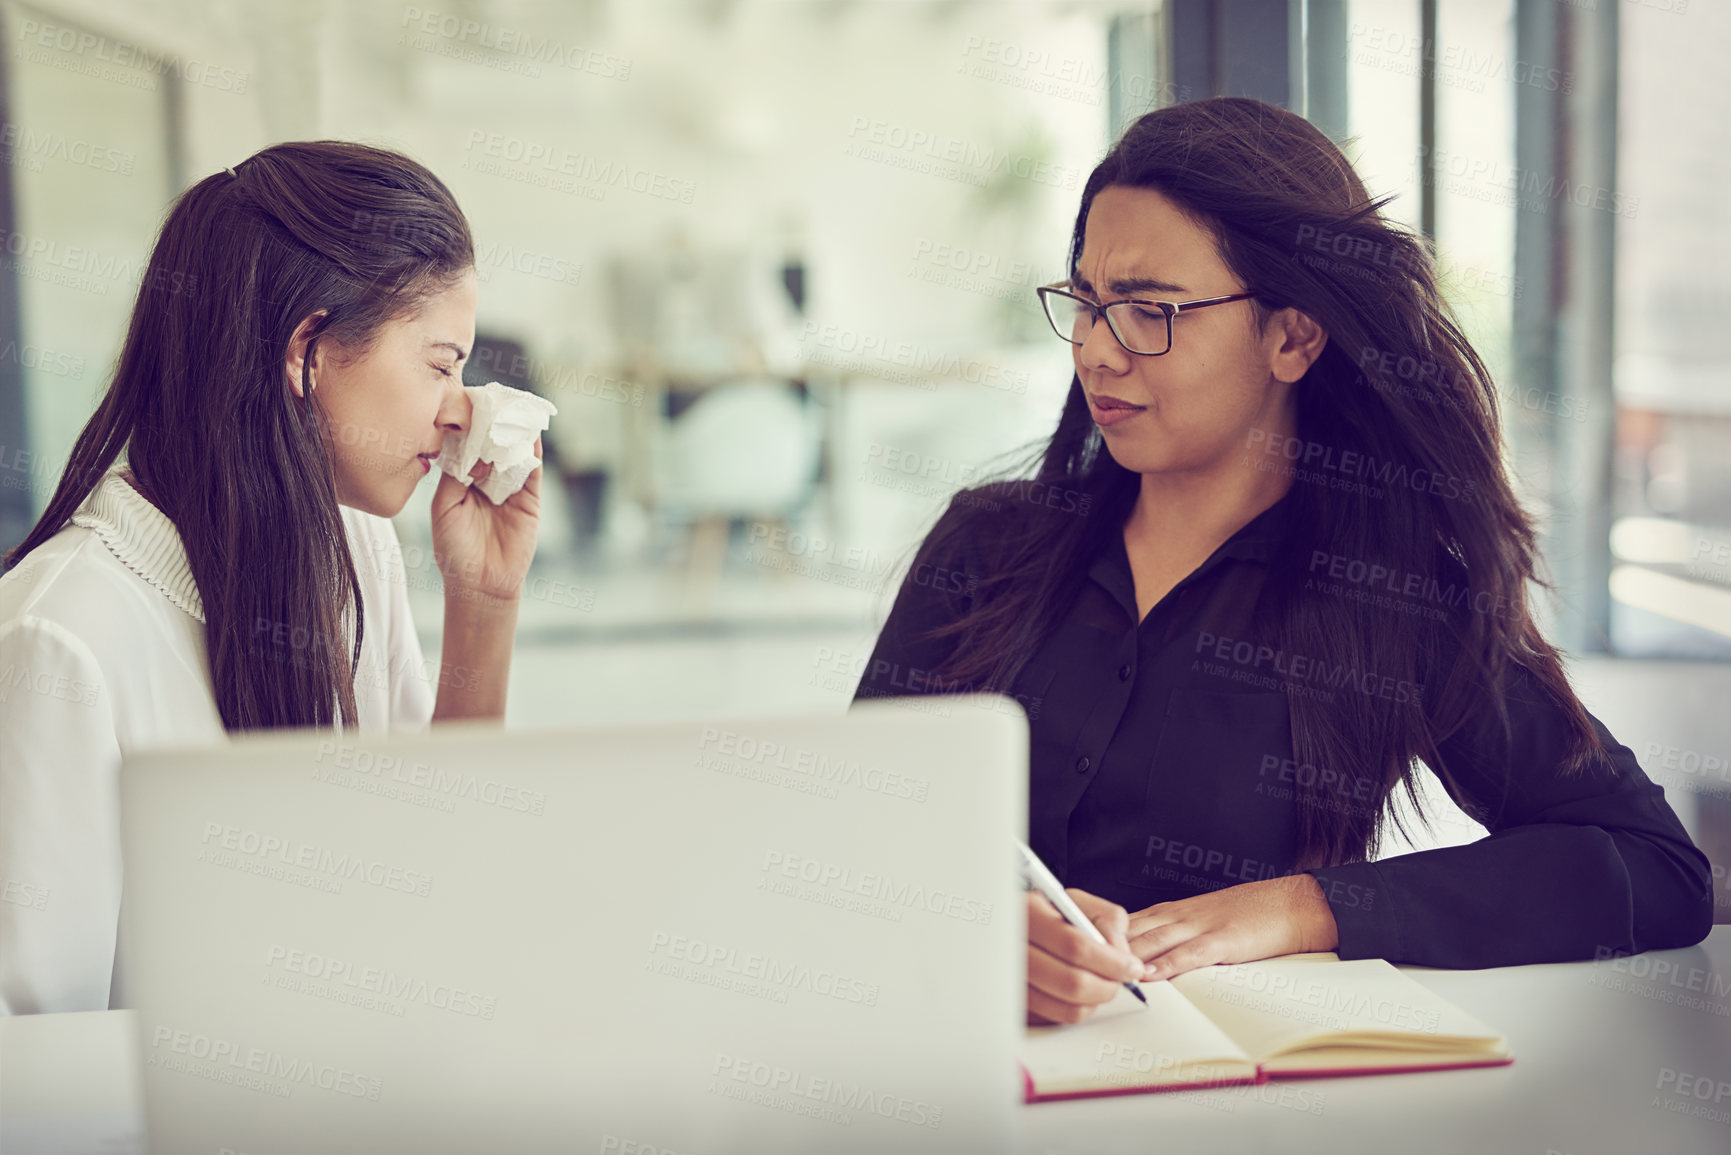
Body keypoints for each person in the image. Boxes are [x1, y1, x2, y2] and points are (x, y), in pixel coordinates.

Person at [851, 98, 1713, 1026]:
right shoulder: (987, 546)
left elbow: (1651, 865)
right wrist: (979, 924)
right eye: (1090, 305)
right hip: (953, 1074)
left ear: (1292, 336)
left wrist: (1307, 907)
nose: (1097, 351)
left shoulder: (1392, 592)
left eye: (1150, 311)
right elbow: (854, 823)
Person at [0, 141, 541, 1014]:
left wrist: (484, 604)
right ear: (307, 351)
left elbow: (439, 878)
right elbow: (31, 1052)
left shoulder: (355, 551)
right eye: (441, 364)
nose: (461, 409)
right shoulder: (61, 639)